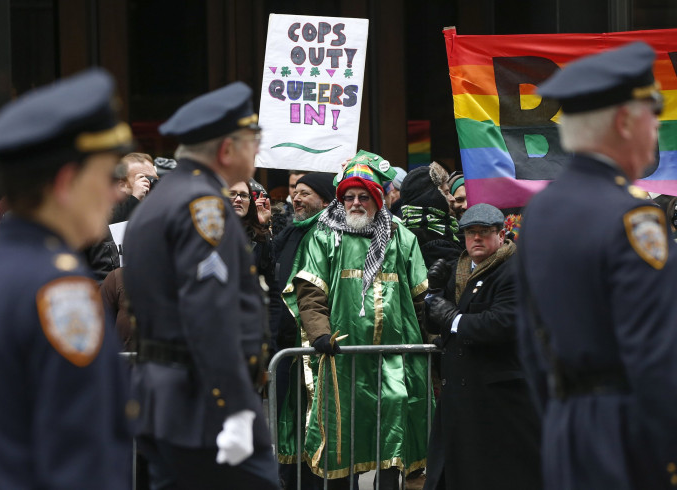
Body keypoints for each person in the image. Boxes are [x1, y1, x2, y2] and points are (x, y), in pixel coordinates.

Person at [0, 68, 135, 489]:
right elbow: (81, 453)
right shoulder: (59, 292)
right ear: (66, 183)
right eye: (105, 176)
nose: (117, 193)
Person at [516, 41, 677, 489]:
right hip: (634, 439)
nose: (656, 129)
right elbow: (655, 357)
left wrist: (568, 423)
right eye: (653, 116)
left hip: (569, 433)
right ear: (625, 121)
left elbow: (531, 349)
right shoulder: (635, 218)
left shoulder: (542, 213)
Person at [123, 81, 279, 490]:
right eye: (252, 141)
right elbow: (210, 314)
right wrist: (236, 409)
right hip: (203, 407)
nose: (257, 151)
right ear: (227, 150)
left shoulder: (160, 201)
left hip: (168, 398)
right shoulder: (204, 208)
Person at [279, 150, 430, 489]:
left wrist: (436, 339)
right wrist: (320, 334)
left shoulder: (402, 237)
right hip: (342, 361)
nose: (356, 203)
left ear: (378, 198)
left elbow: (422, 300)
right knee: (342, 440)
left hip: (395, 360)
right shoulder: (323, 236)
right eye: (350, 197)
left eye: (364, 196)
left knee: (394, 440)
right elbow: (310, 295)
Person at [424, 203, 541, 490]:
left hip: (497, 400)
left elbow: (502, 323)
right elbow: (434, 324)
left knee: (496, 476)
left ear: (501, 235)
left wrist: (455, 319)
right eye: (470, 232)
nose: (476, 238)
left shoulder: (514, 270)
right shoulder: (461, 269)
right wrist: (435, 291)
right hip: (461, 398)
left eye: (484, 232)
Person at [268, 171, 334, 489]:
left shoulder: (332, 233)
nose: (296, 197)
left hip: (316, 348)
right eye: (295, 191)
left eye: (305, 193)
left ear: (324, 199)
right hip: (288, 348)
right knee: (288, 423)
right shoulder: (291, 233)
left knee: (315, 426)